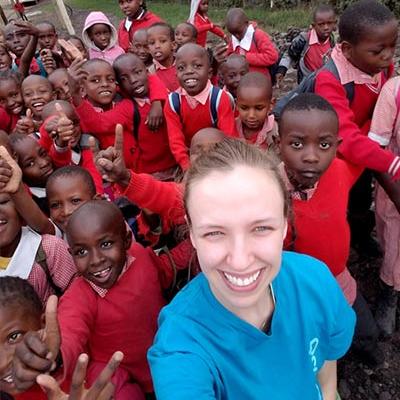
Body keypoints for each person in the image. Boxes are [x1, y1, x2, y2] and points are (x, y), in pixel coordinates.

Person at [148, 138, 356, 399]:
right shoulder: (182, 345)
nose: (240, 260)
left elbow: (325, 368)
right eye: (214, 232)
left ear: (284, 223)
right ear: (191, 232)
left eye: (261, 228)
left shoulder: (315, 281)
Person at [12, 200, 193, 399]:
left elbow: (165, 270)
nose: (96, 259)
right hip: (118, 372)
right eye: (81, 252)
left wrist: (196, 242)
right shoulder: (79, 296)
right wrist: (54, 355)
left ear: (126, 241)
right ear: (70, 254)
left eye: (105, 244)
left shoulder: (140, 256)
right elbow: (70, 330)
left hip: (167, 356)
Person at [277, 93, 381, 365]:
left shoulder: (339, 170)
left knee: (366, 334)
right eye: (297, 144)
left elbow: (366, 142)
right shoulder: (269, 190)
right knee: (310, 342)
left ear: (337, 146)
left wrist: (379, 104)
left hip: (338, 276)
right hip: (297, 288)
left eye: (324, 144)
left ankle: (370, 363)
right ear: (279, 144)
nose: (311, 157)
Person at [312, 0, 399, 256]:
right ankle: (336, 253)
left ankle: (360, 237)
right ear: (348, 50)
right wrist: (392, 163)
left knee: (361, 198)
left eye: (393, 46)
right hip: (338, 157)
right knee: (338, 202)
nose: (388, 56)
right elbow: (345, 137)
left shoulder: (379, 67)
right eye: (378, 51)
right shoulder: (329, 80)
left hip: (367, 149)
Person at [0, 145, 76, 303]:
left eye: (3, 202)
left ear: (21, 211)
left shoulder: (49, 250)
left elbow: (80, 299)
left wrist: (17, 190)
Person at [164, 43, 236, 170]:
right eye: (181, 68)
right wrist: (187, 167)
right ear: (176, 75)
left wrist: (226, 165)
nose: (189, 71)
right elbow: (176, 141)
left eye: (197, 66)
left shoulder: (219, 98)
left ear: (209, 73)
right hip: (191, 157)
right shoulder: (173, 102)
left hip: (218, 155)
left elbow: (229, 137)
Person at [368, 76, 400, 336]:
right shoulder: (394, 92)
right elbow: (375, 150)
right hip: (395, 185)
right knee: (394, 243)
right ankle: (389, 290)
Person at [276, 4, 337, 84]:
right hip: (306, 81)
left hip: (325, 81)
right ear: (313, 26)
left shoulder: (334, 41)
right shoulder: (304, 39)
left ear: (334, 23)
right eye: (321, 24)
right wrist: (282, 70)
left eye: (329, 23)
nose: (326, 27)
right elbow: (289, 53)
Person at [225, 8, 278, 79]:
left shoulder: (258, 35)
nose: (237, 36)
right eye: (233, 34)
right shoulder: (234, 38)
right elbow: (229, 54)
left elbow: (272, 57)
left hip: (260, 80)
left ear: (246, 23)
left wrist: (246, 57)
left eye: (239, 32)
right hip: (241, 81)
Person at [235, 72, 277, 149]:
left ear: (271, 104)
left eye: (259, 108)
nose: (251, 115)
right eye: (244, 108)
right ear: (237, 105)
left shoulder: (275, 132)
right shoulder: (232, 127)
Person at [147, 22, 179, 92]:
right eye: (152, 43)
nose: (157, 46)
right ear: (148, 49)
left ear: (173, 45)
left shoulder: (183, 63)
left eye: (162, 41)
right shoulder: (151, 73)